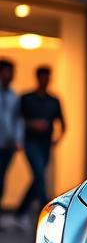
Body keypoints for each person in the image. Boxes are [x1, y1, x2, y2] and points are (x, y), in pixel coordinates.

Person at [17, 66, 64, 218]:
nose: (45, 80)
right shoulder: (26, 98)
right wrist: (32, 124)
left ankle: (20, 213)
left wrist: (56, 140)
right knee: (40, 175)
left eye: (47, 77)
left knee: (39, 177)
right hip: (30, 142)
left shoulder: (54, 100)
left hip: (45, 144)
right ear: (37, 78)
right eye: (43, 77)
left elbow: (63, 124)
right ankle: (45, 212)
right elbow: (16, 120)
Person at [0, 59, 23, 219]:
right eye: (7, 71)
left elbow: (17, 120)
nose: (10, 75)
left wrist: (17, 139)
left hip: (6, 146)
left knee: (1, 179)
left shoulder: (14, 96)